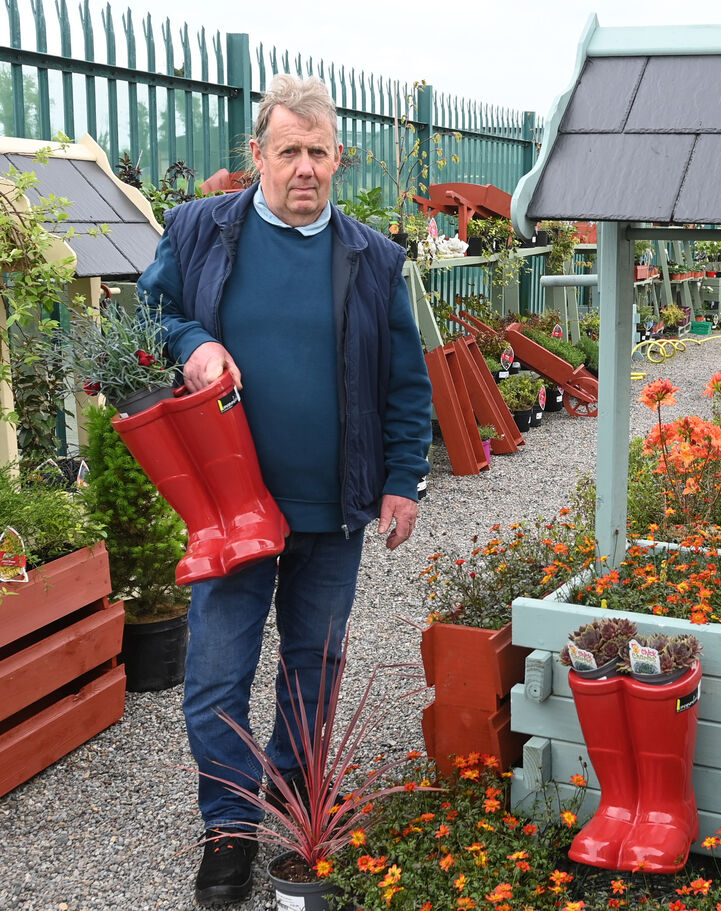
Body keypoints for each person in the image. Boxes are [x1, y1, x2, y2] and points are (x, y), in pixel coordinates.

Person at [138, 74, 432, 906]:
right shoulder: (201, 230)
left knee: (316, 664)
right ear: (257, 156)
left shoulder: (374, 258)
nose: (305, 167)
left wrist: (404, 479)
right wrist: (192, 340)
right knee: (218, 672)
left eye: (318, 151)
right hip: (232, 509)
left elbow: (406, 382)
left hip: (333, 509)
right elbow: (148, 312)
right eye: (288, 151)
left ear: (337, 156)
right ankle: (228, 824)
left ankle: (291, 787)